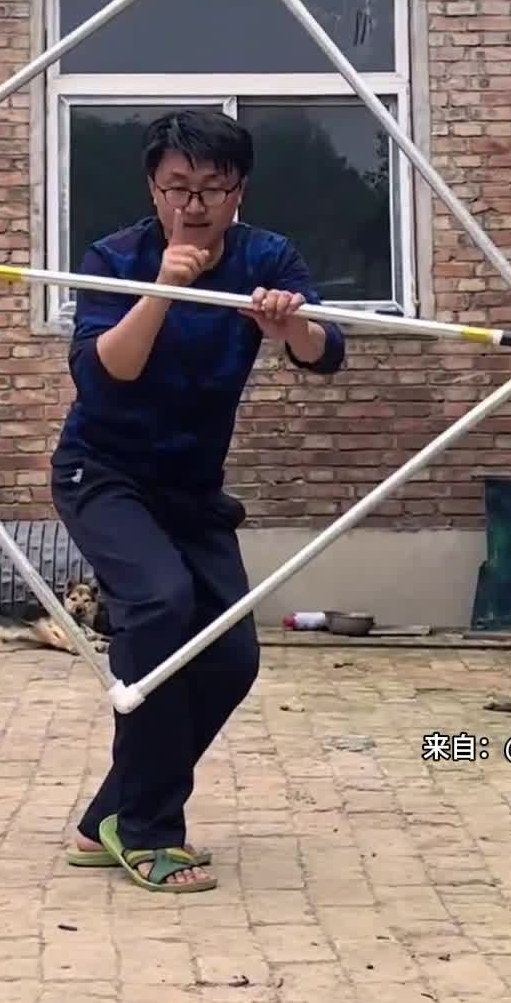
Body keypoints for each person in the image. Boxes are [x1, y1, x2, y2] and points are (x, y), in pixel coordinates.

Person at [51, 109, 346, 893]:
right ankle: (150, 830)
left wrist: (289, 328)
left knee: (232, 658)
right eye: (177, 187)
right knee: (160, 603)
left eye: (213, 188)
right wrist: (162, 288)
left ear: (238, 192)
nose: (193, 204)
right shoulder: (116, 257)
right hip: (103, 474)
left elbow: (326, 352)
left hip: (192, 490)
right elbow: (105, 374)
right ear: (153, 188)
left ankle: (109, 815)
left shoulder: (265, 257)